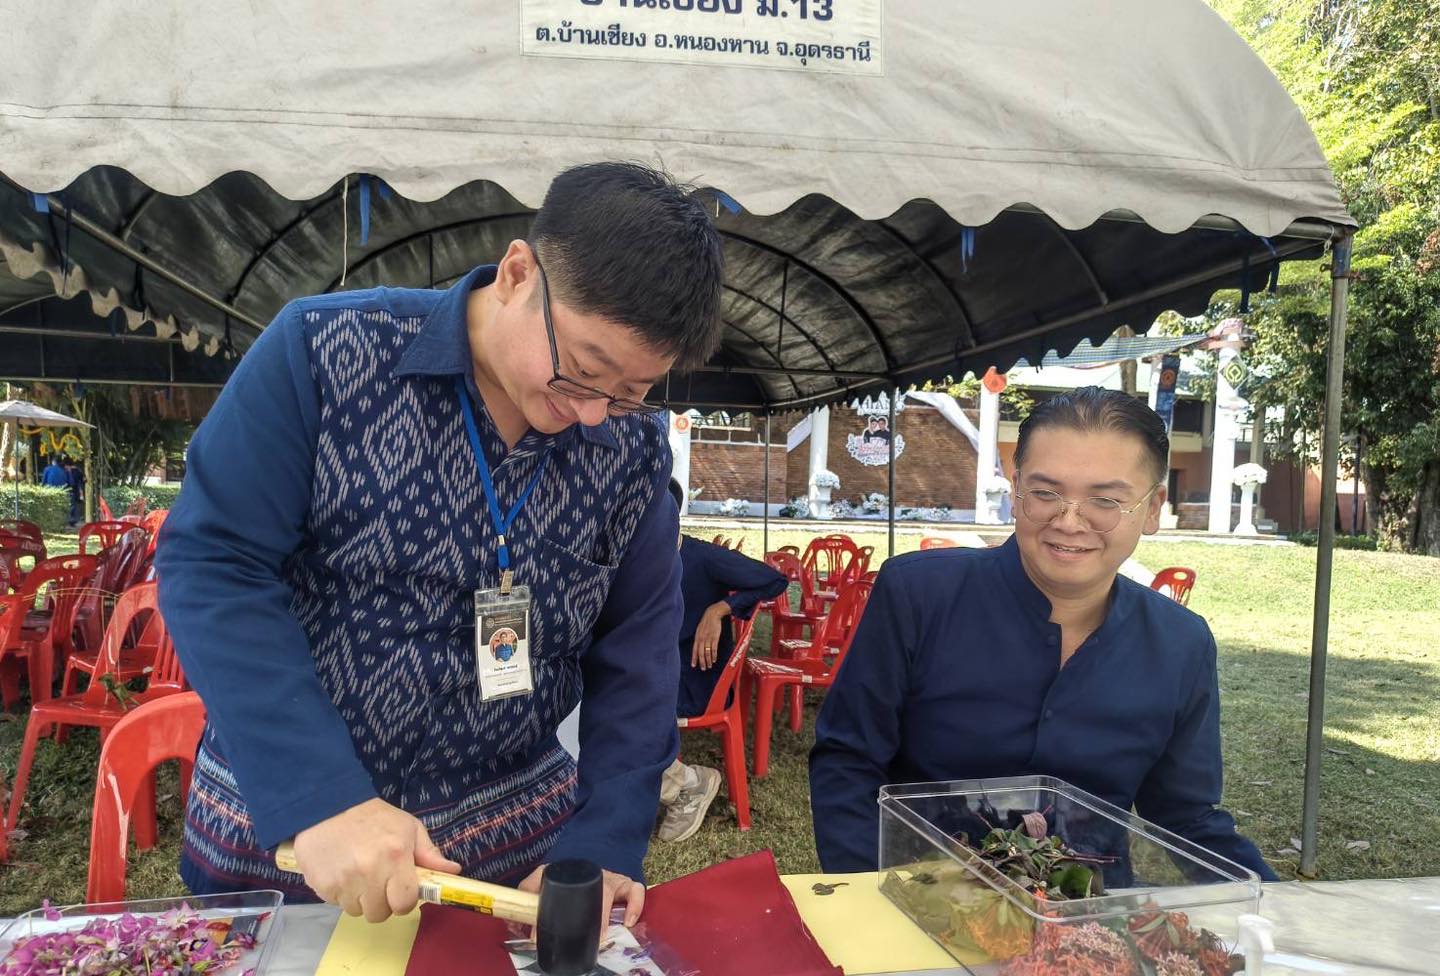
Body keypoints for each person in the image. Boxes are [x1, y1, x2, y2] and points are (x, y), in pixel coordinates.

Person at [156, 162, 724, 927]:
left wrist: (605, 840)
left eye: (631, 392)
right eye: (584, 371)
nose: (594, 415)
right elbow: (213, 564)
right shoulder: (324, 353)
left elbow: (639, 650)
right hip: (296, 844)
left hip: (514, 858)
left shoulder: (633, 450)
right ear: (518, 274)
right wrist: (320, 796)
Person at [809, 387, 1274, 880]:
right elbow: (848, 762)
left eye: (1106, 500)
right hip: (926, 896)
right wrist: (871, 891)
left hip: (1091, 911)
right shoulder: (919, 595)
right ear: (1016, 490)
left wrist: (1282, 905)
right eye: (1046, 493)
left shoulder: (1180, 644)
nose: (1069, 521)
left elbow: (1187, 818)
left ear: (1153, 507)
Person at [655, 479, 788, 843]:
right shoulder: (641, 557)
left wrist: (721, 608)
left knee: (622, 708)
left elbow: (775, 580)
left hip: (694, 679)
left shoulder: (702, 557)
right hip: (656, 669)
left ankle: (686, 786)